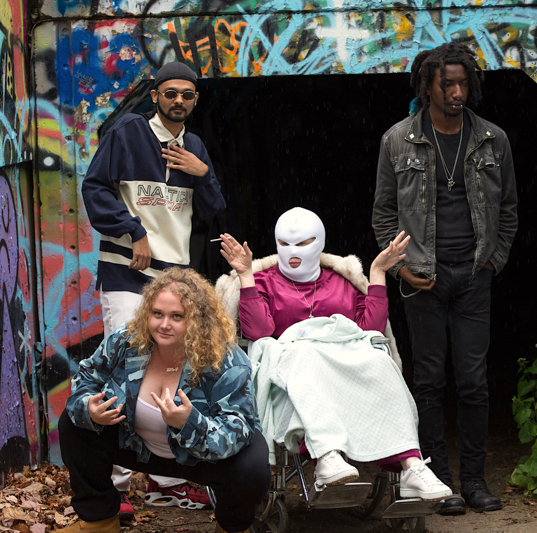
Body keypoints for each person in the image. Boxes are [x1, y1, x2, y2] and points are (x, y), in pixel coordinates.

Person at [218, 207, 453, 503]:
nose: (293, 252)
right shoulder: (264, 280)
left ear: (319, 242)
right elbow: (259, 331)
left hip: (346, 365)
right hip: (295, 370)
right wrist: (245, 275)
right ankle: (326, 455)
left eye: (303, 243)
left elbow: (371, 330)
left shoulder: (342, 280)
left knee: (380, 358)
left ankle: (411, 466)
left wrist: (377, 274)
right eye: (285, 244)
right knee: (304, 353)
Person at [372, 42, 518, 514]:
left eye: (463, 83)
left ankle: (475, 481)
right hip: (424, 280)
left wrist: (493, 260)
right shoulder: (398, 140)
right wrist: (403, 269)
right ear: (427, 85)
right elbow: (383, 214)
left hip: (474, 275)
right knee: (430, 379)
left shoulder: (493, 139)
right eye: (447, 84)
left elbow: (510, 210)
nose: (457, 92)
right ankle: (440, 482)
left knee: (474, 381)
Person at [81, 61, 226, 518]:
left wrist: (202, 172)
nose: (178, 100)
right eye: (170, 93)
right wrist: (132, 230)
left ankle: (170, 481)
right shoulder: (127, 132)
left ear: (195, 100)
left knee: (168, 373)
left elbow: (213, 210)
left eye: (187, 94)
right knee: (120, 367)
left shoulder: (195, 146)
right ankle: (115, 487)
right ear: (156, 96)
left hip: (172, 279)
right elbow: (95, 188)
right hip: (128, 272)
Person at [57, 268, 270, 533]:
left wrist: (190, 423)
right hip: (138, 446)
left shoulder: (225, 358)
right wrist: (89, 408)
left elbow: (240, 428)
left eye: (177, 316)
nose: (164, 324)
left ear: (197, 320)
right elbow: (86, 378)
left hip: (201, 458)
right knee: (73, 423)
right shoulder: (127, 340)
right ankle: (99, 520)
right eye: (157, 314)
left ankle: (231, 528)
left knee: (253, 464)